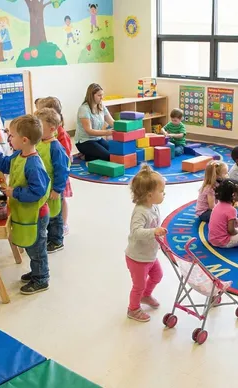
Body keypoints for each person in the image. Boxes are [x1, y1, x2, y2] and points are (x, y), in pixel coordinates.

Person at [0, 115, 52, 295]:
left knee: (37, 247)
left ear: (24, 140)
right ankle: (36, 271)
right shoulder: (19, 155)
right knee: (31, 245)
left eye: (11, 136)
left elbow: (37, 192)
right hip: (25, 212)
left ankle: (41, 278)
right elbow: (6, 164)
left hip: (36, 215)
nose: (8, 139)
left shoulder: (33, 164)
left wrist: (15, 193)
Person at [125, 164, 166, 322]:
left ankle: (146, 295)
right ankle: (133, 309)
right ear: (149, 195)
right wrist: (154, 232)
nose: (164, 194)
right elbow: (136, 232)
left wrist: (158, 238)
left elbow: (154, 227)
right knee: (138, 285)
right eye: (161, 192)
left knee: (158, 275)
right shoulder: (140, 212)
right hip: (137, 258)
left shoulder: (153, 207)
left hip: (150, 254)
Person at [35, 96, 73, 235]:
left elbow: (64, 161)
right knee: (51, 207)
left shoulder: (58, 140)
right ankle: (53, 231)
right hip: (50, 179)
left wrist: (57, 188)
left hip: (59, 178)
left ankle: (61, 228)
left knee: (59, 205)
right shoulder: (43, 138)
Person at [74, 83, 115, 161]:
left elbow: (112, 122)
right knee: (108, 157)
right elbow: (89, 131)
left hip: (97, 139)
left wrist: (123, 127)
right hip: (84, 141)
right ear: (91, 96)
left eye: (102, 95)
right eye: (99, 95)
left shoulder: (101, 106)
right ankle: (86, 156)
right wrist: (107, 132)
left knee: (114, 152)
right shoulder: (84, 109)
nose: (102, 97)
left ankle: (90, 155)